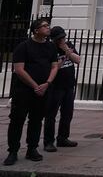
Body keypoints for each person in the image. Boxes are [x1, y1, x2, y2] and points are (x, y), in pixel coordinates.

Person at [4, 18, 58, 166]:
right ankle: (13, 151)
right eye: (45, 26)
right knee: (17, 120)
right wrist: (35, 85)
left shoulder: (51, 47)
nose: (48, 28)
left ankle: (32, 148)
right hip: (23, 90)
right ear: (36, 30)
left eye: (48, 25)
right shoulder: (24, 46)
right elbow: (19, 69)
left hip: (43, 90)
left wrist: (47, 83)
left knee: (36, 120)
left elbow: (54, 66)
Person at [43, 26, 81, 152]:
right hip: (56, 86)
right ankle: (48, 141)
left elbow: (78, 60)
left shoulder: (68, 45)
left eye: (63, 38)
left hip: (69, 85)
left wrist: (68, 51)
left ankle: (63, 137)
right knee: (51, 114)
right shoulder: (50, 48)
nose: (62, 40)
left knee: (67, 113)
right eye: (60, 39)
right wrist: (63, 57)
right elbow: (54, 68)